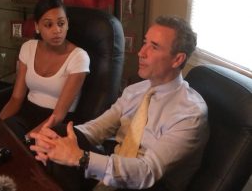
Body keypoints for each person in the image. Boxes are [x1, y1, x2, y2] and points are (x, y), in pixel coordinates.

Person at [29, 15, 209, 191]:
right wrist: (63, 141)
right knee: (56, 135)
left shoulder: (190, 113)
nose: (141, 52)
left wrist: (81, 158)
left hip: (151, 184)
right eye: (145, 42)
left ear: (177, 59)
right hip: (116, 165)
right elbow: (98, 127)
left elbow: (147, 172)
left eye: (154, 47)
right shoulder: (135, 91)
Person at [0, 0, 90, 141]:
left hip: (56, 122)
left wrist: (27, 139)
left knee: (28, 148)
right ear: (37, 27)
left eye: (61, 23)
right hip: (27, 113)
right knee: (4, 135)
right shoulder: (28, 48)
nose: (57, 30)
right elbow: (16, 98)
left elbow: (59, 115)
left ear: (67, 24)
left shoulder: (79, 57)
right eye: (48, 25)